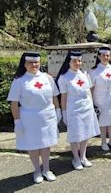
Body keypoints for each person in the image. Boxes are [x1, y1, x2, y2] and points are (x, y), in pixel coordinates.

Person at [7, 52, 61, 183]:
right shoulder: (19, 80)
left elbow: (54, 96)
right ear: (24, 64)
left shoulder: (47, 78)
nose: (34, 65)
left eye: (36, 62)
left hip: (47, 116)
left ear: (40, 63)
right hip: (29, 118)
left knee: (46, 145)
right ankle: (37, 170)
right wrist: (17, 121)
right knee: (33, 146)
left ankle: (46, 169)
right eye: (30, 63)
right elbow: (14, 103)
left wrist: (58, 110)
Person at [56, 51, 100, 170]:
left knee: (85, 133)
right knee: (75, 135)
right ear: (69, 62)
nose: (77, 63)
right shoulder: (64, 77)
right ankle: (75, 158)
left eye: (79, 61)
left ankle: (83, 156)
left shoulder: (84, 74)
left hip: (86, 108)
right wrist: (63, 112)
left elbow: (88, 91)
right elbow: (63, 97)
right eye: (74, 61)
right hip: (73, 110)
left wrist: (91, 106)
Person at [89, 47, 111, 151]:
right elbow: (91, 87)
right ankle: (103, 142)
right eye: (103, 55)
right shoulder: (94, 71)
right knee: (102, 122)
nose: (105, 57)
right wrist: (90, 100)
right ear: (99, 56)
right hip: (100, 99)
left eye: (107, 55)